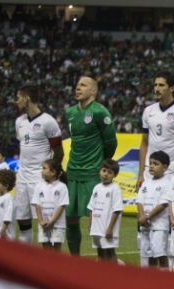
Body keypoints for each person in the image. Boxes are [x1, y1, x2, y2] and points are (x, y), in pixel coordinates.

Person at [136, 73, 174, 267]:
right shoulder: (148, 111)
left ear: (172, 88)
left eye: (161, 85)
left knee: (169, 224)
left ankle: (171, 270)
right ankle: (147, 272)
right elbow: (144, 143)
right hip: (151, 173)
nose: (157, 88)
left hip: (172, 173)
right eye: (155, 85)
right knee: (144, 223)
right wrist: (140, 173)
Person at [64, 75, 118, 256]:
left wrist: (100, 163)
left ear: (93, 91)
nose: (78, 87)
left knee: (97, 218)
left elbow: (111, 142)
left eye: (83, 85)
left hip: (92, 174)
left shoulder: (100, 112)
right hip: (73, 172)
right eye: (77, 84)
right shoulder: (70, 112)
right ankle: (74, 260)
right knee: (70, 218)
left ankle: (106, 261)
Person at [14, 85, 64, 244]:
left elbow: (59, 152)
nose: (16, 101)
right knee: (22, 221)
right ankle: (24, 260)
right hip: (22, 179)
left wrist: (52, 175)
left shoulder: (48, 122)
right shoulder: (19, 122)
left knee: (46, 224)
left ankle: (48, 264)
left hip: (40, 180)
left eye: (18, 97)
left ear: (27, 98)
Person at [136, 151, 171, 269]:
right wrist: (142, 217)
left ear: (165, 167)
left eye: (155, 164)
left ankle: (166, 280)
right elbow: (139, 200)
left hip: (159, 225)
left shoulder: (167, 183)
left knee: (160, 254)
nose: (151, 166)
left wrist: (147, 217)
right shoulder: (146, 183)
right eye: (150, 163)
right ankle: (151, 281)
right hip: (145, 225)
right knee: (149, 255)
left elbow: (163, 204)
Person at [87, 159, 123, 262]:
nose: (106, 174)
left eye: (110, 172)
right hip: (96, 228)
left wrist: (110, 228)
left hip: (107, 228)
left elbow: (117, 210)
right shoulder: (96, 188)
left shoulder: (115, 189)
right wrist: (91, 225)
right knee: (100, 252)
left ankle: (115, 275)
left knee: (110, 252)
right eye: (104, 171)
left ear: (114, 175)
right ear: (100, 171)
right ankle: (101, 276)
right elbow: (91, 208)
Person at [32, 159, 69, 251]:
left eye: (44, 168)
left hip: (57, 225)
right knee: (46, 252)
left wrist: (52, 221)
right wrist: (41, 221)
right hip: (43, 225)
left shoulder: (62, 187)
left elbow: (62, 206)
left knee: (56, 252)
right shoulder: (38, 186)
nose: (42, 170)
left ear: (53, 172)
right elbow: (37, 205)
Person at [0, 169, 16, 240]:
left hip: (5, 236)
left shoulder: (8, 199)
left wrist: (3, 229)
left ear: (6, 186)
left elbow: (8, 216)